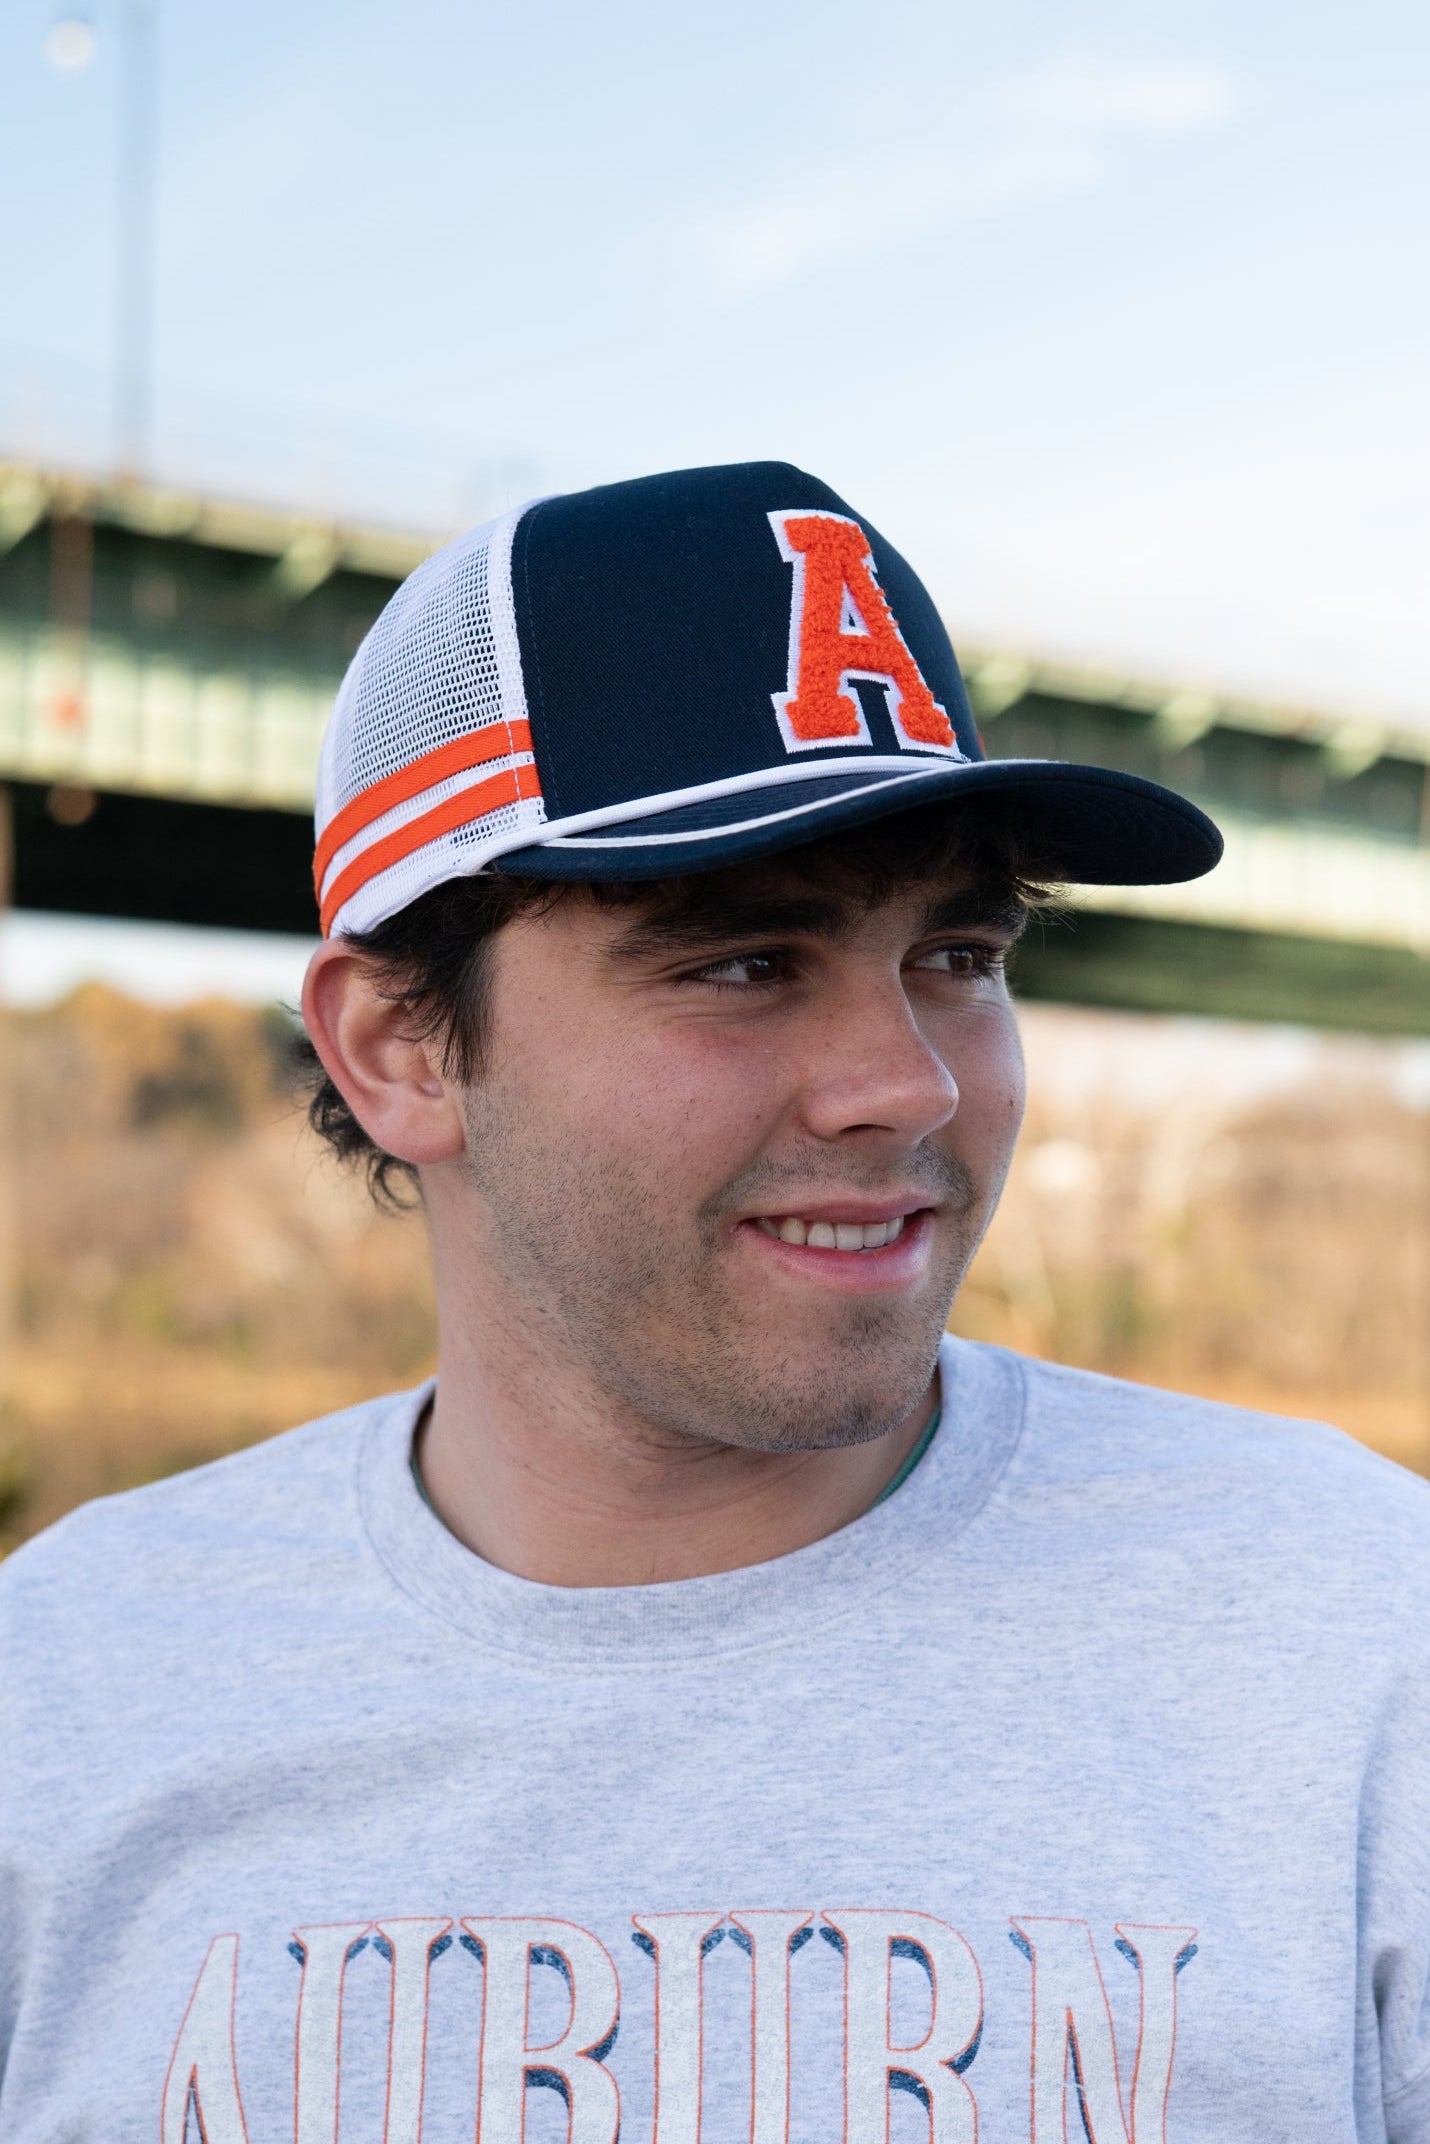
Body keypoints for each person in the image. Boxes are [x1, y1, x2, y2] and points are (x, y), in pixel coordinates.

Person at [1, 462, 1427, 2143]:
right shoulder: (66, 1689)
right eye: (742, 962)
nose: (901, 1085)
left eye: (958, 958)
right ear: (398, 1048)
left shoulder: (1355, 1636)